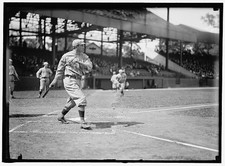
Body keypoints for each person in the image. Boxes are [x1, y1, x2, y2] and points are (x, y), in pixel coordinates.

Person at [49, 39, 93, 129]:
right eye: (82, 45)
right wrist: (55, 80)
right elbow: (60, 69)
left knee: (72, 102)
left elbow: (90, 67)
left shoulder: (84, 56)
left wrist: (81, 63)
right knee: (81, 98)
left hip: (78, 80)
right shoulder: (66, 56)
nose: (83, 47)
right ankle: (82, 122)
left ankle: (61, 116)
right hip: (69, 79)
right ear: (76, 46)